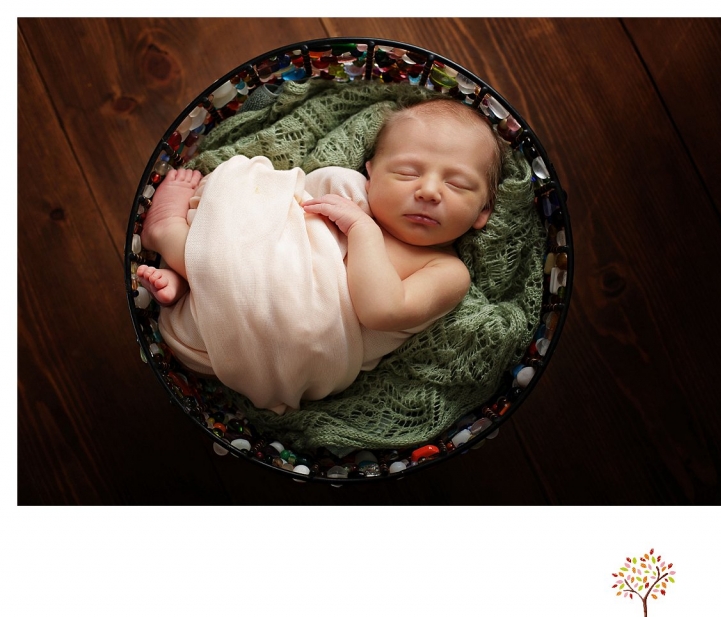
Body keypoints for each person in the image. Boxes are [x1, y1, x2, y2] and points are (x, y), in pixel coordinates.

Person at [137, 98, 505, 412]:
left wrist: (362, 231)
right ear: (372, 174)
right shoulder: (350, 192)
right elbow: (280, 218)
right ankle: (184, 268)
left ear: (483, 211)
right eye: (407, 173)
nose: (429, 191)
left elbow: (381, 311)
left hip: (286, 341)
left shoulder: (447, 271)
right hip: (254, 271)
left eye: (457, 184)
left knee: (240, 281)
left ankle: (173, 242)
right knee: (246, 213)